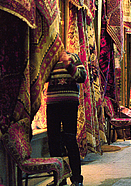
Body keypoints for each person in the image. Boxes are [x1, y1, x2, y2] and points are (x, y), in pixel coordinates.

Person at [46, 50, 87, 186]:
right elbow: (43, 78)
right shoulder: (49, 59)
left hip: (69, 104)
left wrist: (68, 64)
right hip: (52, 104)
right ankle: (59, 178)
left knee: (70, 140)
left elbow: (82, 77)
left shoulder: (73, 57)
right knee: (53, 141)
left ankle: (76, 178)